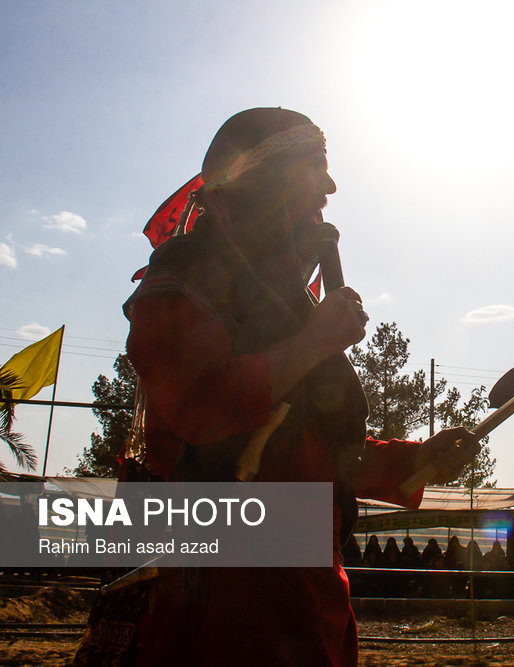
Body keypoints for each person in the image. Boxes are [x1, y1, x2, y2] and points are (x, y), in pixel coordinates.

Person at [121, 107, 478, 666]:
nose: (331, 187)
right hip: (230, 594)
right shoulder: (186, 271)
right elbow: (198, 410)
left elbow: (304, 456)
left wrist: (416, 462)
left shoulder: (286, 302)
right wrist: (314, 342)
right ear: (265, 179)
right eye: (316, 167)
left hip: (309, 590)